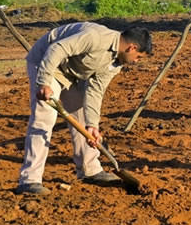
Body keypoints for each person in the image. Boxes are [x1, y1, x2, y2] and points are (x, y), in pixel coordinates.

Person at [15, 22, 152, 195]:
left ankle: (90, 170)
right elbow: (57, 49)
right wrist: (43, 82)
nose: (136, 62)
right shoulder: (95, 37)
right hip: (46, 62)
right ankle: (29, 180)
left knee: (81, 114)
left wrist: (92, 125)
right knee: (45, 117)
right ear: (131, 48)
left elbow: (95, 91)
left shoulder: (116, 64)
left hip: (71, 72)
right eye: (138, 57)